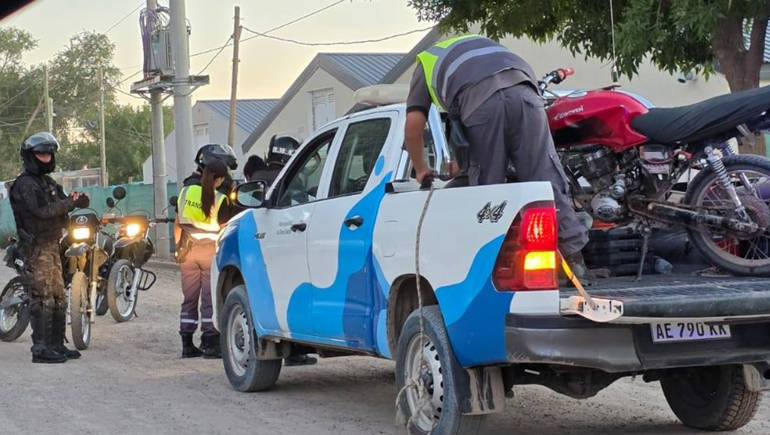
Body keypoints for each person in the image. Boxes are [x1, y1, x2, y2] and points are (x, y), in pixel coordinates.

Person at [404, 34, 593, 283]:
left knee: (488, 191)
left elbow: (413, 126)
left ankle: (493, 274)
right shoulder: (482, 43)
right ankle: (574, 261)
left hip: (481, 104)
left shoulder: (425, 63)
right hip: (526, 93)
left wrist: (420, 168)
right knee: (544, 180)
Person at [9, 132, 90, 363]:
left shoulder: (48, 182)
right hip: (36, 248)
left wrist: (78, 201)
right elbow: (42, 211)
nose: (46, 157)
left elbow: (63, 203)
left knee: (58, 297)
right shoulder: (25, 183)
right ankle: (41, 350)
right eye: (41, 154)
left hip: (53, 246)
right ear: (31, 156)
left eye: (48, 153)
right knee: (43, 297)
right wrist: (70, 203)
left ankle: (56, 345)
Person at [175, 144, 238, 359]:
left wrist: (178, 250)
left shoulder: (186, 190)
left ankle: (186, 344)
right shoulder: (220, 199)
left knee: (189, 298)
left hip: (188, 251)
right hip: (209, 252)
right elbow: (223, 229)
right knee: (210, 298)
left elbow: (178, 223)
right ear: (219, 180)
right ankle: (211, 344)